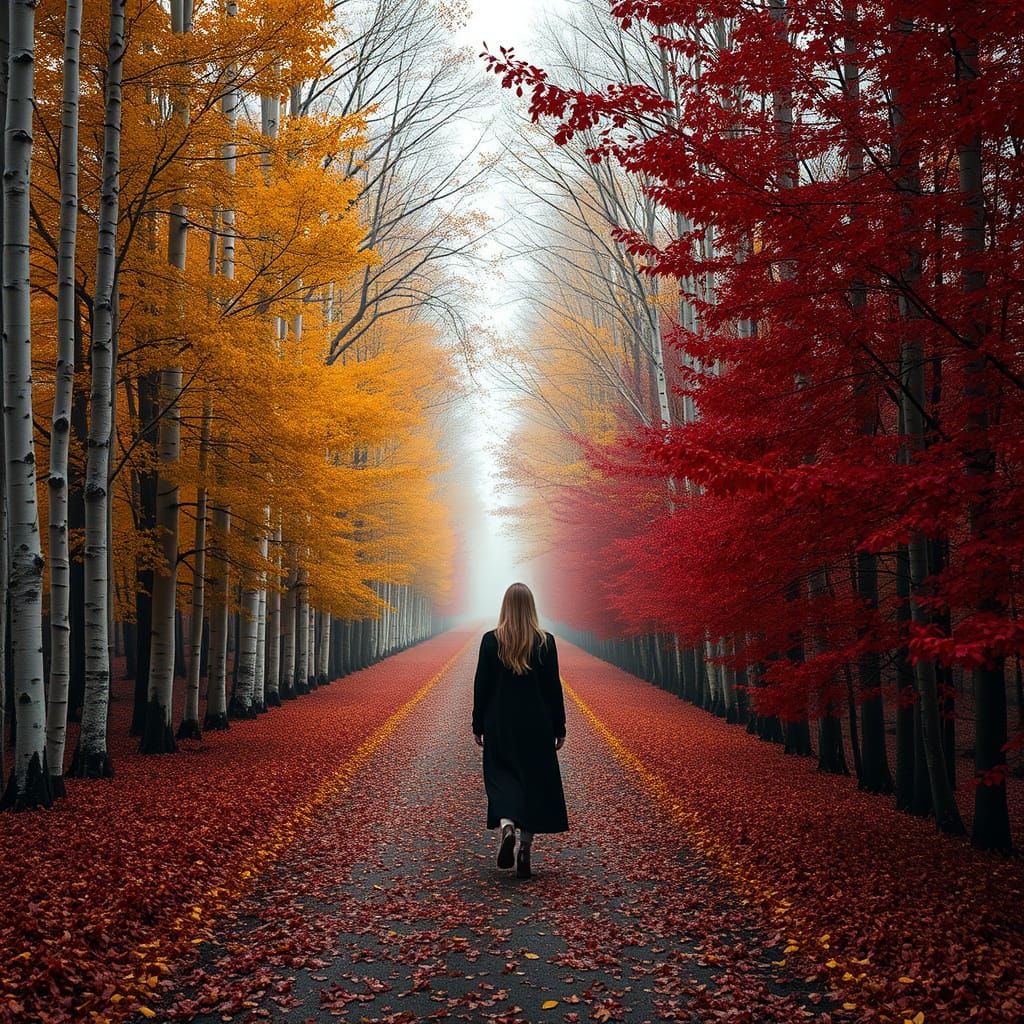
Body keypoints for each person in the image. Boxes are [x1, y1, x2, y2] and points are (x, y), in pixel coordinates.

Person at [472, 582, 569, 878]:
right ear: (531, 607)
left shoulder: (491, 641)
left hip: (500, 722)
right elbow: (553, 688)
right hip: (537, 724)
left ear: (505, 606)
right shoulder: (545, 642)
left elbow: (481, 686)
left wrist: (478, 724)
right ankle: (525, 847)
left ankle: (507, 827)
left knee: (501, 778)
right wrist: (559, 726)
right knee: (534, 783)